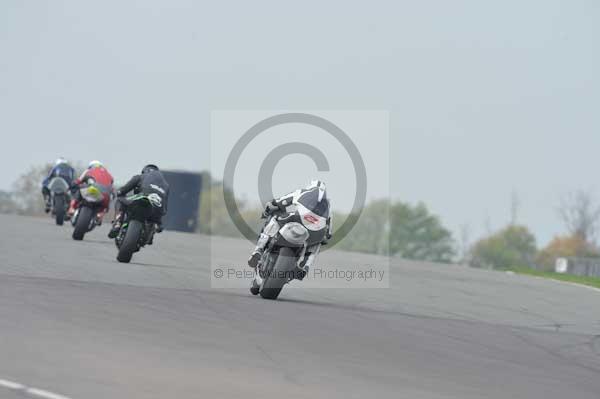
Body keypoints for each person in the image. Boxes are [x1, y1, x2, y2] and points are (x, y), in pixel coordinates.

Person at [248, 180, 332, 278]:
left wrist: (270, 208)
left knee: (275, 219)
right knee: (317, 243)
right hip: (316, 229)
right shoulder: (328, 206)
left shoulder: (302, 192)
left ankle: (259, 249)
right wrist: (325, 237)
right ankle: (305, 266)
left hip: (298, 218)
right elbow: (329, 231)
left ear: (310, 186)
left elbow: (281, 201)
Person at [108, 164, 169, 241]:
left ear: (144, 171)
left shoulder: (141, 176)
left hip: (141, 199)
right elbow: (165, 208)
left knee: (120, 200)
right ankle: (151, 232)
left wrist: (119, 192)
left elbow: (122, 190)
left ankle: (117, 224)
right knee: (157, 219)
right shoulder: (166, 185)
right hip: (157, 209)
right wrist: (159, 223)